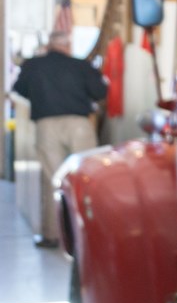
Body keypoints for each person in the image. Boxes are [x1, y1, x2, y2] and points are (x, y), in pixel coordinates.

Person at [11, 31, 106, 248]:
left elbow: (19, 89)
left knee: (53, 180)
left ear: (49, 45)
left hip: (47, 124)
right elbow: (99, 92)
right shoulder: (82, 65)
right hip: (79, 124)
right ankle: (88, 232)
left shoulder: (33, 65)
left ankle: (53, 235)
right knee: (85, 178)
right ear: (67, 45)